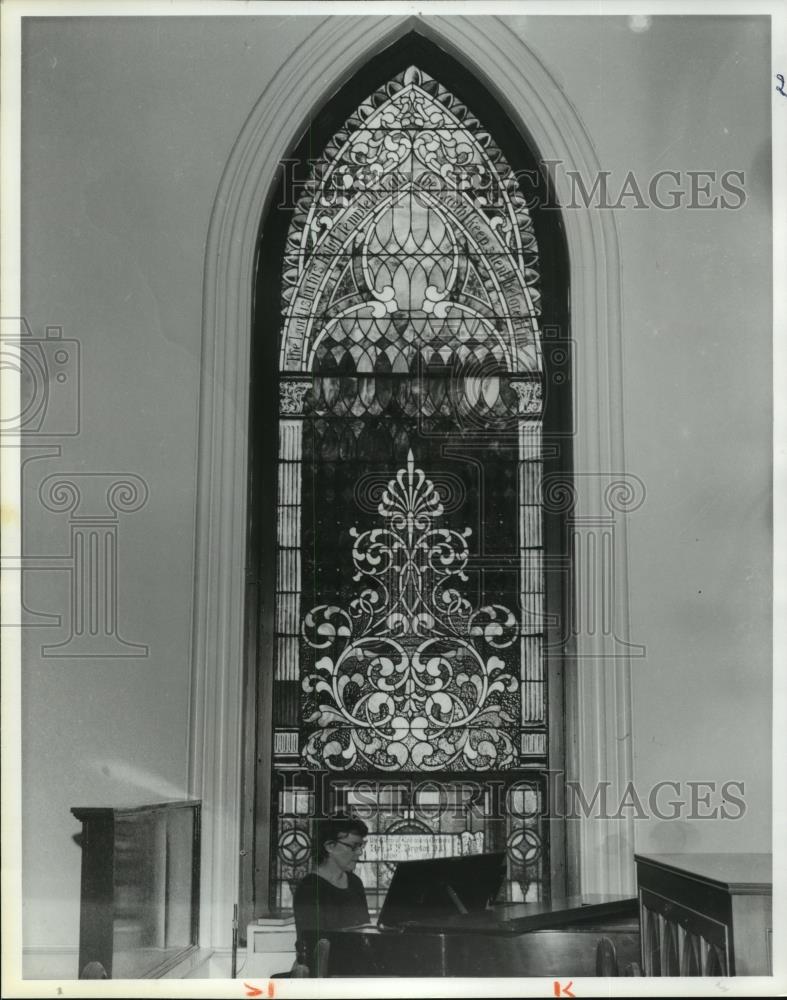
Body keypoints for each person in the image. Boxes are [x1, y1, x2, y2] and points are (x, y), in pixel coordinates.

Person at [292, 813, 370, 975]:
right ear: (329, 846)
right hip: (327, 972)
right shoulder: (309, 888)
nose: (359, 852)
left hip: (356, 967)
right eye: (353, 846)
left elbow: (364, 933)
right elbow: (316, 947)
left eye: (361, 845)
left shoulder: (355, 883)